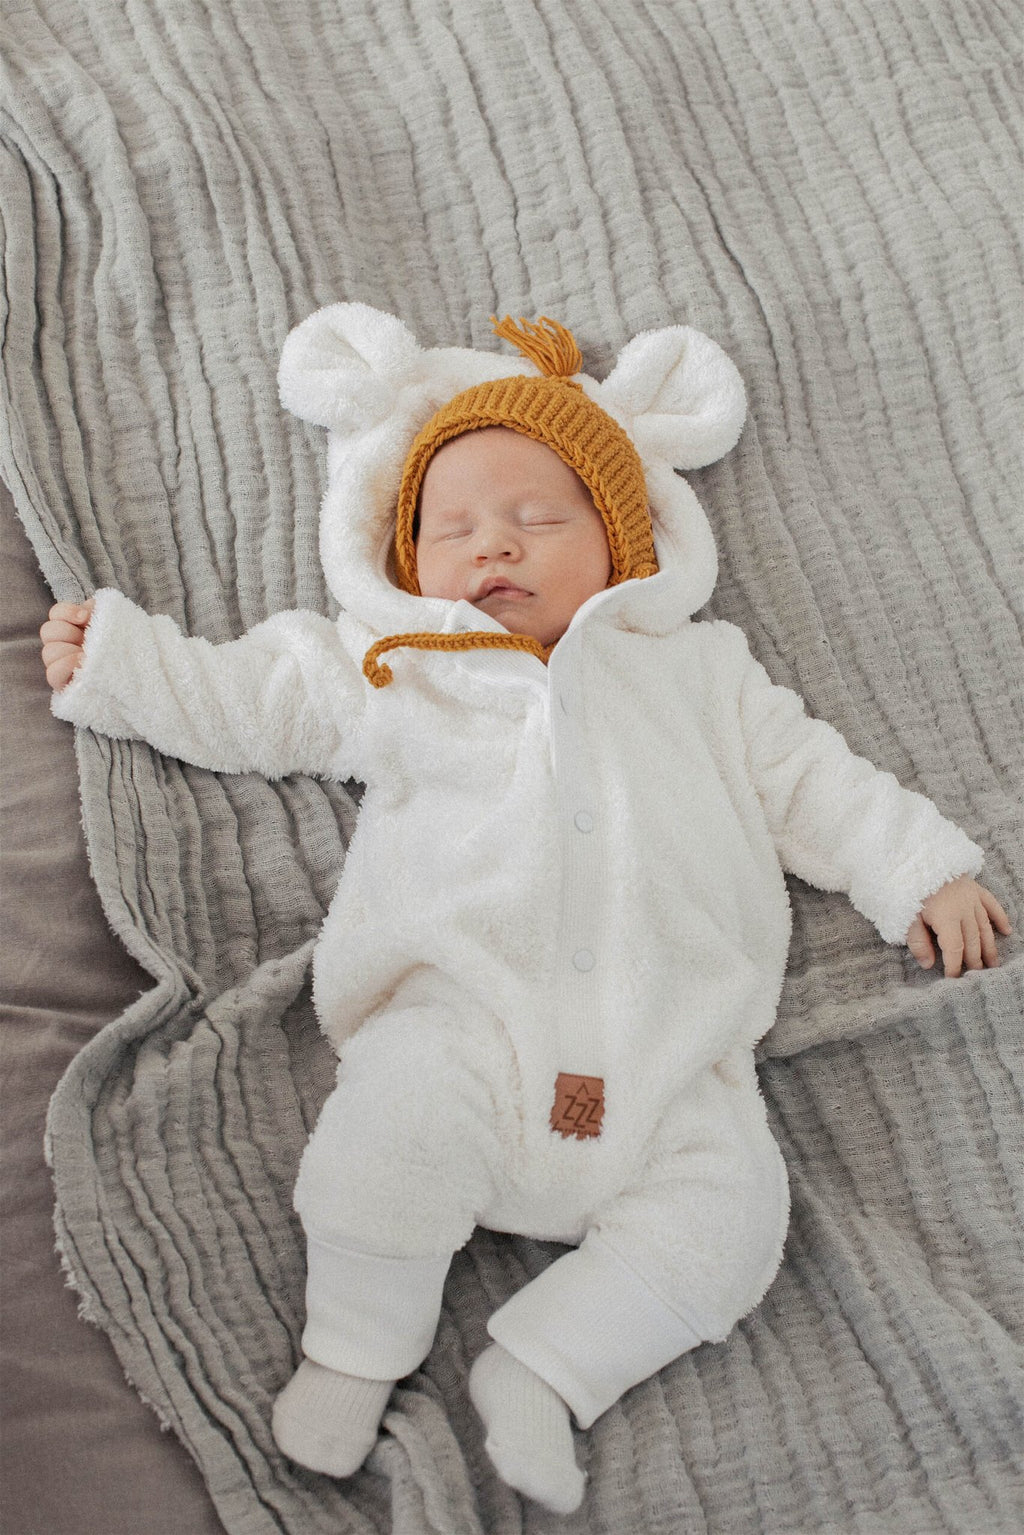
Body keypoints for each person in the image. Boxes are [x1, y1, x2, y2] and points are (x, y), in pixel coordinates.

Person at [40, 310, 1011, 1514]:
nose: (492, 546)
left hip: (672, 1055)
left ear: (619, 540)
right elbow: (259, 695)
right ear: (406, 559)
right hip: (461, 1021)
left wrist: (918, 869)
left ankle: (545, 1368)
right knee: (380, 1147)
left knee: (735, 1222)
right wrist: (123, 666)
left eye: (536, 520)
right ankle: (354, 1347)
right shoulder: (403, 664)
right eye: (452, 529)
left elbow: (815, 781)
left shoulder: (700, 673)